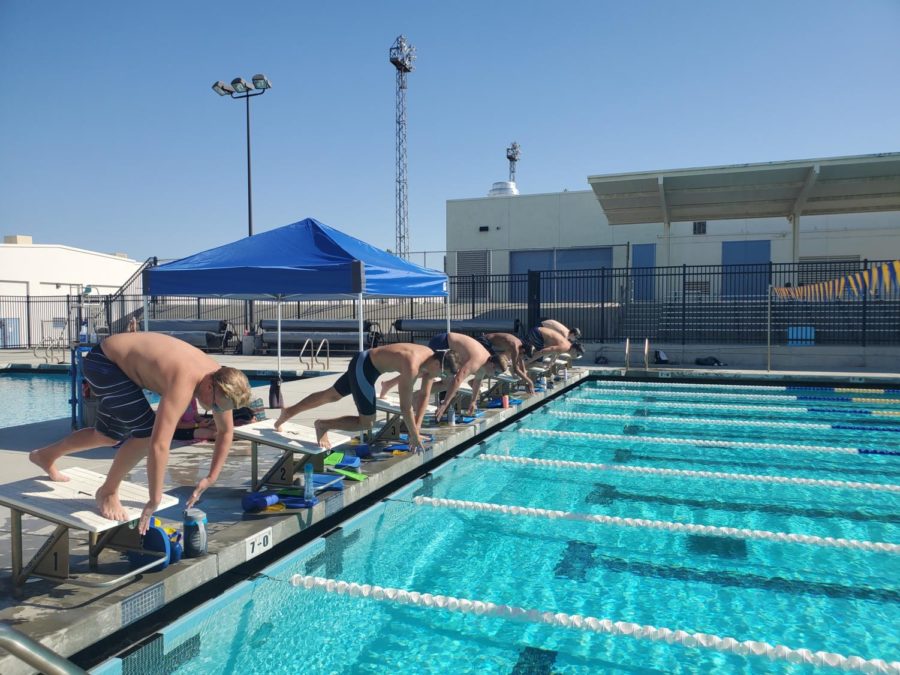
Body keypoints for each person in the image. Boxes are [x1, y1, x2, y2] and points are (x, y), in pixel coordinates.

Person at [29, 332, 251, 534]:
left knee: (107, 436)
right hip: (104, 364)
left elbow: (225, 431)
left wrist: (211, 478)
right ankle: (107, 492)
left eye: (220, 409)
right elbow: (159, 444)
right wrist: (153, 500)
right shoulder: (185, 381)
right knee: (145, 434)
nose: (215, 411)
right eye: (216, 406)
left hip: (117, 367)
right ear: (211, 387)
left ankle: (45, 455)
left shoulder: (219, 378)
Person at [275, 343, 460, 453]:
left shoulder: (432, 360)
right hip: (365, 367)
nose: (441, 378)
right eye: (442, 374)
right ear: (437, 363)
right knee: (367, 423)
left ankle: (288, 411)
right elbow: (406, 407)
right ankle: (323, 425)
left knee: (330, 395)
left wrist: (416, 431)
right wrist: (412, 436)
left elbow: (424, 395)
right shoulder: (412, 365)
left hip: (366, 363)